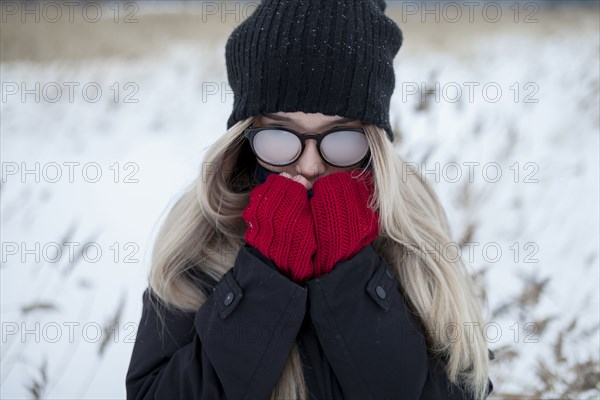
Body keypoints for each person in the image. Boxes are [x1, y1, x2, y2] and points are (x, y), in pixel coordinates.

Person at [125, 0, 495, 399]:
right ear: (247, 138)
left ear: (372, 141)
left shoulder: (414, 237)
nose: (310, 164)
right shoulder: (198, 241)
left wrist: (351, 276)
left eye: (342, 136)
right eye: (281, 134)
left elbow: (463, 389)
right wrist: (264, 276)